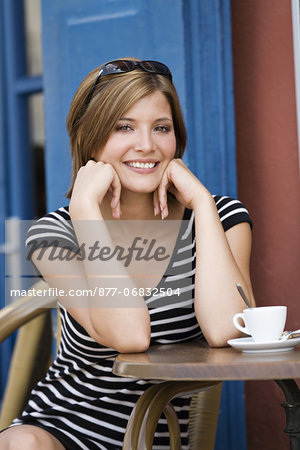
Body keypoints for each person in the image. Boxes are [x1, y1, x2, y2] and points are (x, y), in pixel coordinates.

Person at [0, 58, 255, 449]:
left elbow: (228, 329)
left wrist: (202, 204)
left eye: (161, 128)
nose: (147, 145)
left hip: (157, 435)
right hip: (57, 431)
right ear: (91, 136)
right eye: (124, 127)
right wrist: (85, 208)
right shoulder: (55, 233)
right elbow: (129, 335)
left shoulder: (222, 219)